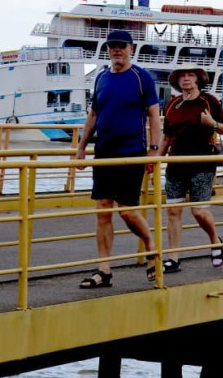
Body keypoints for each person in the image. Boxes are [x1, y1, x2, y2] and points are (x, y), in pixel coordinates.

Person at [74, 29, 161, 288]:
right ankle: (104, 270)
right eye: (112, 46)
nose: (117, 50)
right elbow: (93, 115)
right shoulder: (101, 78)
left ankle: (151, 247)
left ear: (131, 49)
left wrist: (154, 150)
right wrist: (81, 147)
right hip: (104, 153)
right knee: (102, 210)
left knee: (126, 211)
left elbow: (154, 116)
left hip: (132, 153)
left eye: (121, 46)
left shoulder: (141, 78)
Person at [158, 63, 223, 273]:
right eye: (183, 76)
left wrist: (211, 123)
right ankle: (173, 257)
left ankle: (215, 241)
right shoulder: (173, 104)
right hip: (176, 163)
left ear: (198, 79)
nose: (186, 79)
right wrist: (155, 160)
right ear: (178, 82)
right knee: (173, 210)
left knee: (198, 210)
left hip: (202, 163)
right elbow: (167, 136)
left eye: (190, 75)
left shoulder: (208, 101)